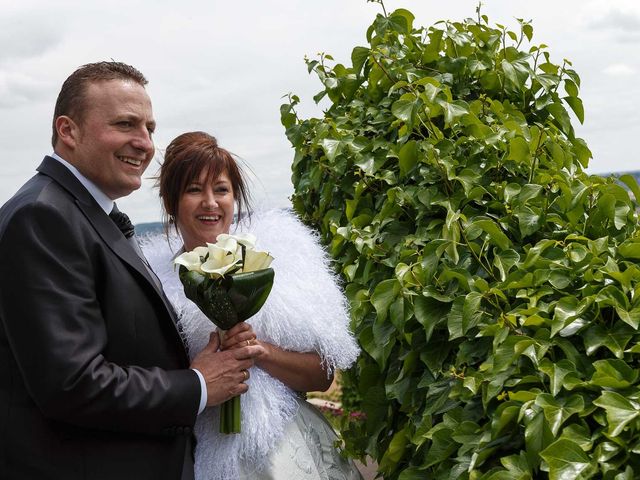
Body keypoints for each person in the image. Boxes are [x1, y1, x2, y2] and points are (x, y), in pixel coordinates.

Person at [0, 63, 263, 480]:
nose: (144, 144)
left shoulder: (83, 213)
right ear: (68, 131)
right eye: (125, 124)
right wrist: (197, 385)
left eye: (149, 128)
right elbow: (73, 384)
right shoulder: (42, 216)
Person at [143, 131, 363, 479]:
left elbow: (322, 376)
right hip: (192, 458)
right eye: (194, 189)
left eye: (221, 189)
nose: (210, 202)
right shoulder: (151, 284)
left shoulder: (281, 259)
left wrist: (258, 351)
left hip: (282, 453)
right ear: (171, 203)